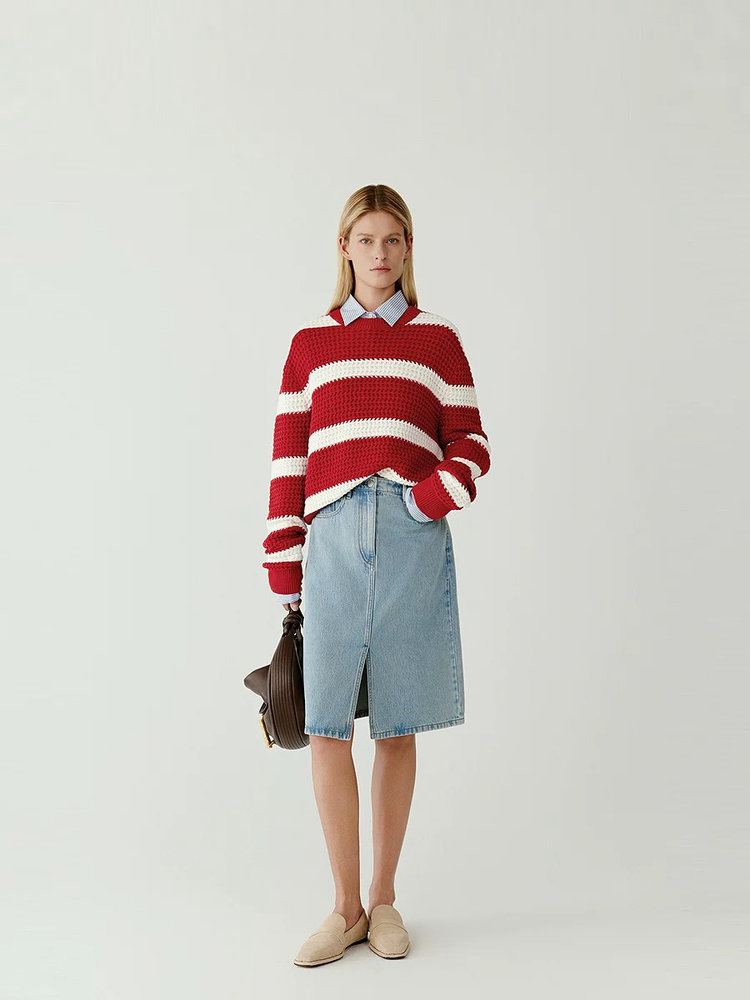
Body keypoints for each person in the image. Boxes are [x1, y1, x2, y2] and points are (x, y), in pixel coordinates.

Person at [261, 184, 491, 966]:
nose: (380, 253)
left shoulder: (437, 341)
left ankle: (385, 899)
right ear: (345, 248)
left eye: (393, 239)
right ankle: (345, 908)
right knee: (326, 725)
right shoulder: (309, 345)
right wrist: (283, 562)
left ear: (408, 248)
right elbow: (289, 459)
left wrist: (425, 499)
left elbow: (471, 443)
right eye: (366, 239)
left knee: (396, 722)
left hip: (410, 541)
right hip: (329, 542)